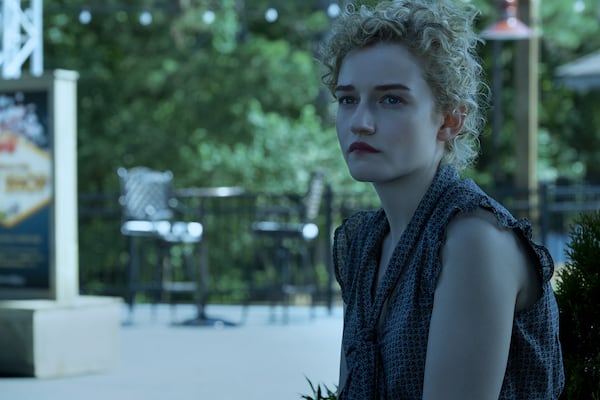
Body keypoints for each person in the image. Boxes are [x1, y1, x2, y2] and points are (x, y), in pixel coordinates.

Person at [317, 1, 565, 399]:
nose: (360, 122)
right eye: (348, 99)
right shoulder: (365, 242)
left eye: (391, 99)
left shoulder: (473, 240)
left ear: (450, 120)